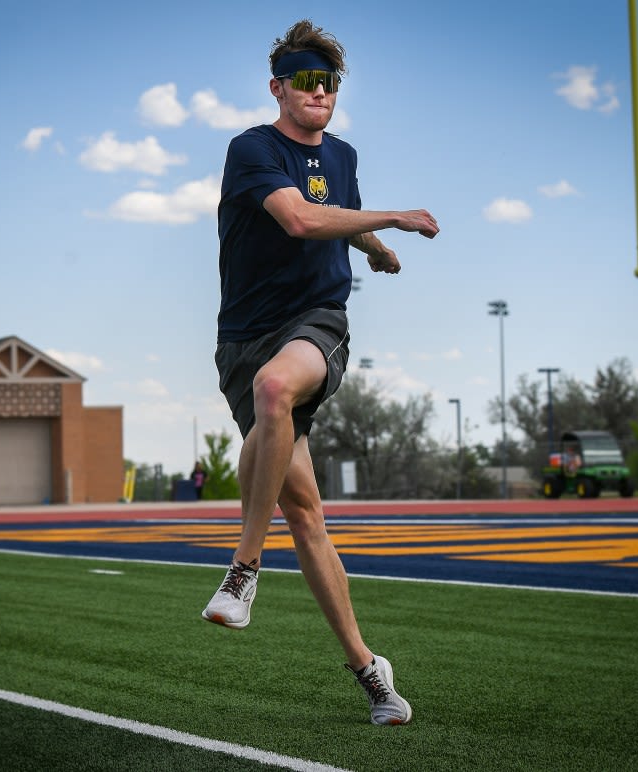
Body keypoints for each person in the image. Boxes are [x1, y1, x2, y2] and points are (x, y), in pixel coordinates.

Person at [201, 19, 439, 726]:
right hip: (243, 340)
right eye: (306, 81)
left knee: (280, 387)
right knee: (305, 514)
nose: (319, 93)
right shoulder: (252, 149)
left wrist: (370, 248)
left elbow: (335, 212)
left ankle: (242, 571)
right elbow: (302, 220)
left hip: (316, 323)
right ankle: (370, 670)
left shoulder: (343, 153)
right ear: (279, 87)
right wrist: (390, 221)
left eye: (329, 82)